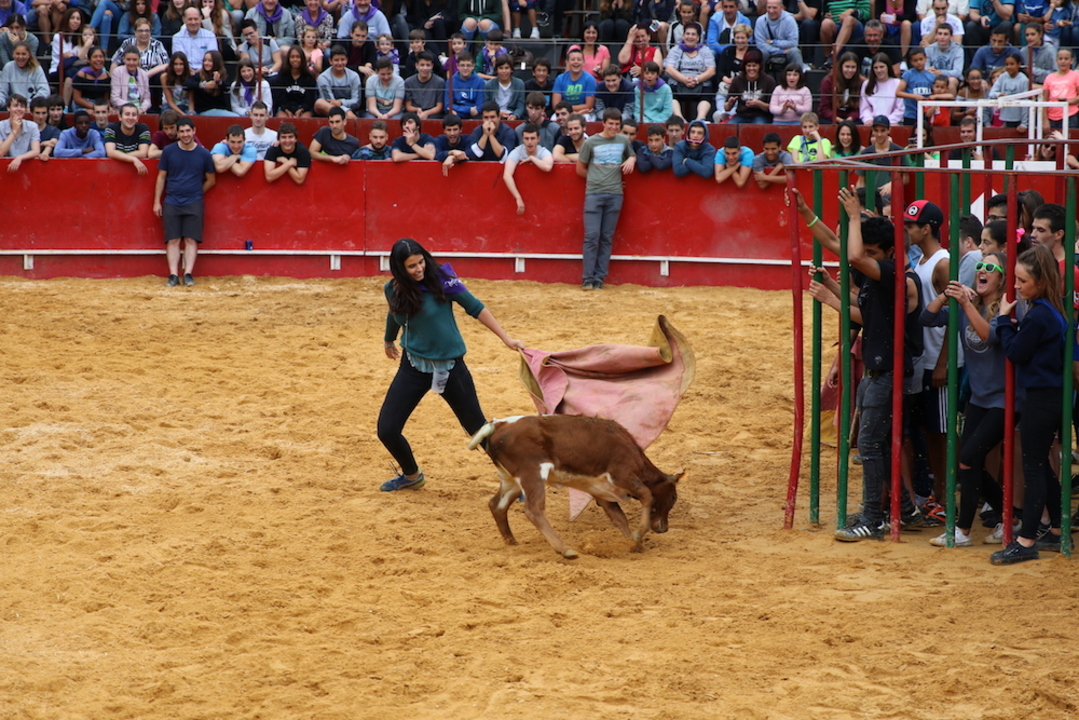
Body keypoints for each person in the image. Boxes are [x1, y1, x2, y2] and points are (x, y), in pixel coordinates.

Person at [796, 185, 925, 541]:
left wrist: (854, 216)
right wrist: (805, 211)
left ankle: (874, 517)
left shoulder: (894, 275)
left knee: (869, 445)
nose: (863, 258)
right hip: (877, 368)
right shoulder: (879, 275)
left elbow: (852, 259)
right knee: (875, 445)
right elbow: (837, 246)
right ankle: (904, 510)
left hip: (889, 371)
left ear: (888, 253)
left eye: (872, 253)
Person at [377, 238, 524, 492]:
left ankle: (521, 479)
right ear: (400, 269)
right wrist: (388, 339)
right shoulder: (393, 288)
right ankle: (412, 476)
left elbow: (476, 308)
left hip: (450, 367)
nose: (419, 269)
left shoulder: (443, 279)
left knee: (478, 429)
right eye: (411, 266)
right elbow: (395, 312)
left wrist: (506, 338)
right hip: (413, 366)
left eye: (421, 262)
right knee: (387, 429)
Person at [921, 253, 1010, 546]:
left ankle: (964, 530)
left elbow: (990, 337)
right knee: (968, 462)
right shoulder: (966, 307)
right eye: (980, 266)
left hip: (1004, 399)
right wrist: (946, 296)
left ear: (1002, 278)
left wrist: (966, 305)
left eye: (990, 267)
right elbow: (927, 318)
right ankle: (1008, 518)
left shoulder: (1008, 308)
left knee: (969, 458)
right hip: (979, 398)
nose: (982, 270)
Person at [992, 245, 1070, 563]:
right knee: (1041, 466)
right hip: (1048, 396)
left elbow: (1015, 353)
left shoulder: (1039, 315)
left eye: (1022, 281)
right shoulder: (1051, 310)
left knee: (1034, 468)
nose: (1017, 286)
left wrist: (1003, 320)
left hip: (1041, 398)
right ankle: (1056, 531)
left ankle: (1026, 541)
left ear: (1040, 281)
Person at [576, 107, 635, 291]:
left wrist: (632, 159)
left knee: (606, 237)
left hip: (615, 194)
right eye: (611, 124)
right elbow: (580, 168)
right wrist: (596, 179)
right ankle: (587, 278)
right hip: (594, 193)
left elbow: (632, 154)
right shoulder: (591, 142)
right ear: (603, 123)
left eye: (617, 124)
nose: (614, 127)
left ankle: (599, 278)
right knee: (592, 236)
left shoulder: (623, 140)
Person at [154, 117, 215, 288]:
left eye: (188, 131)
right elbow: (161, 177)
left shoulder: (204, 154)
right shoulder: (169, 151)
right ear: (177, 133)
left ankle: (188, 273)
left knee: (191, 239)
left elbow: (211, 180)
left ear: (194, 131)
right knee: (172, 239)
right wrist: (157, 202)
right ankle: (173, 275)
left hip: (193, 201)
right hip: (172, 200)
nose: (185, 134)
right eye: (182, 131)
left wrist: (196, 192)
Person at [664, 21, 715, 121]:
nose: (690, 37)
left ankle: (700, 119)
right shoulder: (675, 50)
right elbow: (669, 68)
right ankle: (680, 119)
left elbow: (711, 70)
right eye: (687, 34)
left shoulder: (705, 50)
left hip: (700, 82)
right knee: (669, 90)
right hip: (679, 81)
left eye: (693, 34)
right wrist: (684, 79)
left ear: (698, 37)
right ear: (683, 36)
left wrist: (696, 79)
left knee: (707, 91)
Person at [502, 122, 554, 214]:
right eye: (526, 138)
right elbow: (507, 175)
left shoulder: (543, 151)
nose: (529, 142)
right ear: (522, 139)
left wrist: (532, 158)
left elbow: (547, 167)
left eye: (532, 138)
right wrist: (518, 197)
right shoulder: (517, 151)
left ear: (538, 139)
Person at [725, 48, 774, 124]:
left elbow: (772, 108)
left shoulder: (769, 81)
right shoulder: (737, 80)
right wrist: (730, 103)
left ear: (759, 66)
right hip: (741, 115)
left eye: (754, 66)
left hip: (761, 115)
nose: (751, 69)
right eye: (748, 65)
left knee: (758, 126)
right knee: (730, 126)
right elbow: (727, 108)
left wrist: (758, 104)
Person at [755, 0, 806, 71]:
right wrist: (780, 51)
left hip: (787, 52)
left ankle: (799, 76)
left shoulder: (790, 20)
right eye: (769, 7)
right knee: (761, 52)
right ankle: (759, 77)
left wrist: (773, 42)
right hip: (772, 51)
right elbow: (760, 45)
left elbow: (793, 43)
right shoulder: (760, 21)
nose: (771, 11)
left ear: (782, 7)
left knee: (795, 51)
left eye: (774, 8)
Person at [315, 44, 362, 117]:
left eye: (342, 60)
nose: (340, 63)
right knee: (319, 103)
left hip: (351, 111)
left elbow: (356, 101)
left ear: (347, 60)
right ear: (330, 61)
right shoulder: (323, 77)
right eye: (336, 60)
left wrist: (341, 102)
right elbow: (329, 101)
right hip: (331, 111)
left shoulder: (354, 76)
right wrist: (346, 111)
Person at [105, 102, 152, 174]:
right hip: (113, 171)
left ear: (137, 118)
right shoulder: (111, 128)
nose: (130, 118)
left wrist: (121, 157)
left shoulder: (143, 129)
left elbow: (143, 153)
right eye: (127, 114)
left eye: (134, 115)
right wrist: (133, 159)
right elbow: (110, 152)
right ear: (120, 117)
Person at [187, 50, 238, 115]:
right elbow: (187, 84)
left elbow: (228, 87)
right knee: (235, 117)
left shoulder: (223, 75)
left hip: (220, 110)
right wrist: (204, 85)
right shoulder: (199, 76)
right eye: (205, 60)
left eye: (210, 61)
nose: (206, 63)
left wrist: (218, 81)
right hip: (204, 111)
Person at [818, 51, 863, 124]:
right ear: (841, 67)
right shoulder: (828, 82)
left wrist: (850, 118)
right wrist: (840, 120)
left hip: (850, 118)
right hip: (831, 117)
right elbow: (824, 109)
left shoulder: (859, 82)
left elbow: (858, 109)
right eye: (847, 67)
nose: (850, 70)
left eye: (853, 67)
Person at [271, 45, 318, 116]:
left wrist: (301, 110)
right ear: (288, 59)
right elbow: (280, 98)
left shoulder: (309, 77)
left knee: (305, 118)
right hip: (285, 109)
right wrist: (287, 110)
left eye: (298, 57)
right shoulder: (281, 76)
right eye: (292, 57)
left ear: (302, 59)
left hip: (304, 109)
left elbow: (309, 100)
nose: (295, 59)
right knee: (282, 116)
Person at [553, 46, 597, 119]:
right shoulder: (560, 79)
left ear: (583, 62)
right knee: (554, 118)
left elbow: (589, 106)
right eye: (573, 59)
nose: (576, 62)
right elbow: (555, 105)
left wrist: (573, 112)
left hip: (584, 113)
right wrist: (569, 112)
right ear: (567, 62)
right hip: (563, 113)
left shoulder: (590, 79)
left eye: (579, 59)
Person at [0, 40, 46, 109]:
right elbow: (2, 91)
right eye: (17, 54)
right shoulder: (8, 67)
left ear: (29, 55)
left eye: (24, 54)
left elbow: (44, 90)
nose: (20, 57)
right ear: (13, 54)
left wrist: (31, 105)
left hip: (31, 108)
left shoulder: (36, 68)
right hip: (13, 108)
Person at [860, 51, 903, 125]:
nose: (878, 70)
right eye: (876, 68)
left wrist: (886, 122)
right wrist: (868, 119)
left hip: (892, 123)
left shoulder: (897, 83)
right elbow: (864, 108)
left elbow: (899, 109)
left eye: (881, 67)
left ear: (888, 67)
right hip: (872, 124)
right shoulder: (866, 84)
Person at [987, 51, 1028, 127]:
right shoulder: (1002, 77)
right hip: (1004, 117)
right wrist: (999, 94)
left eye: (1012, 64)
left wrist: (1024, 123)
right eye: (1007, 64)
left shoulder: (1024, 80)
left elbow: (1026, 103)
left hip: (1019, 119)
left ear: (1019, 64)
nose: (1009, 67)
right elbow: (991, 93)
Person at [1043, 46, 1079, 130]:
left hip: (1070, 115)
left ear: (1072, 60)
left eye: (1066, 59)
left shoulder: (1076, 76)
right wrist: (1044, 119)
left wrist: (1067, 102)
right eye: (1060, 59)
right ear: (1056, 60)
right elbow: (1044, 99)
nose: (1063, 61)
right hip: (1052, 117)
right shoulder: (1049, 77)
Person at [0, 92, 38, 170]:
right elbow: (1, 152)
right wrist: (14, 131)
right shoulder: (1, 126)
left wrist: (20, 158)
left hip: (27, 168)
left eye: (22, 106)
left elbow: (36, 151)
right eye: (15, 106)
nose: (19, 109)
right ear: (8, 108)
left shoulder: (32, 126)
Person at [897, 47, 934, 126]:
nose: (919, 62)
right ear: (911, 61)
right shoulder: (908, 74)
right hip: (911, 114)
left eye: (921, 59)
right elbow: (898, 92)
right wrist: (914, 96)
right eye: (915, 60)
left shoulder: (931, 76)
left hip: (926, 114)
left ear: (926, 58)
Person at [403, 50, 445, 119]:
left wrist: (426, 113)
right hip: (415, 113)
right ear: (417, 65)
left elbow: (439, 107)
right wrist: (417, 110)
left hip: (433, 114)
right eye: (422, 65)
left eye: (428, 65)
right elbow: (408, 106)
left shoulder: (440, 82)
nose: (425, 68)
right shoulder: (408, 82)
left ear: (432, 66)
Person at [925, 22, 963, 95]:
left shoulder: (958, 49)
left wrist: (940, 72)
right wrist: (929, 71)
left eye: (945, 34)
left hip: (951, 78)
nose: (942, 37)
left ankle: (950, 102)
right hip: (933, 76)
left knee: (951, 80)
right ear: (936, 36)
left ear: (951, 37)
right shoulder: (929, 49)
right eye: (940, 34)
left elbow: (957, 72)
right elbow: (925, 68)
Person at [110, 47, 151, 113]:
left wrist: (142, 109)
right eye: (128, 59)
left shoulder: (143, 74)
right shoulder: (117, 72)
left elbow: (147, 99)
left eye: (134, 60)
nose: (131, 63)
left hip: (140, 111)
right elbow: (114, 98)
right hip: (122, 110)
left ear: (139, 60)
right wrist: (131, 108)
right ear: (124, 59)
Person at [445, 50, 484, 117]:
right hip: (456, 115)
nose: (465, 68)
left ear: (473, 66)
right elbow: (448, 105)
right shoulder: (450, 81)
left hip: (474, 116)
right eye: (462, 65)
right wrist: (469, 110)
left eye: (468, 65)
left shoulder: (480, 81)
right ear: (457, 66)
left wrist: (457, 110)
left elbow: (479, 107)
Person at [71, 46, 112, 111]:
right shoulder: (82, 74)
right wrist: (94, 108)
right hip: (82, 106)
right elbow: (77, 99)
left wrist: (106, 108)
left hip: (99, 106)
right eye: (95, 57)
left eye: (101, 57)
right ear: (89, 60)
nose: (98, 59)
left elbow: (106, 99)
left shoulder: (107, 76)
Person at [484, 54, 524, 121]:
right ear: (496, 70)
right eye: (501, 68)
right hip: (494, 117)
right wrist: (498, 114)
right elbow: (486, 105)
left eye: (506, 68)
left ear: (511, 70)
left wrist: (515, 115)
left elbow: (520, 105)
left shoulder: (519, 84)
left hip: (512, 116)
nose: (504, 71)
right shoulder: (489, 84)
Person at [163, 51, 193, 115]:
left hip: (186, 106)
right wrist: (183, 114)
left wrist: (191, 113)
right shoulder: (165, 77)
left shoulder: (190, 76)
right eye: (175, 64)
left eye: (181, 64)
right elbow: (170, 101)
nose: (178, 67)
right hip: (171, 107)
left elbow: (191, 100)